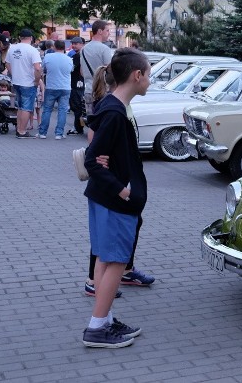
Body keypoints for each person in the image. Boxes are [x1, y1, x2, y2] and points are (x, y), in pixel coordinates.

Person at [81, 48, 151, 348]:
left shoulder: (111, 106)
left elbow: (97, 150)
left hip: (104, 198)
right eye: (148, 75)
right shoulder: (114, 112)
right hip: (114, 200)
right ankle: (97, 328)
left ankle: (105, 318)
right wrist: (122, 190)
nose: (149, 81)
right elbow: (92, 159)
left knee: (104, 258)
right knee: (115, 262)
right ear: (137, 76)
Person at [5, 28, 42, 138]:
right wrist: (36, 80)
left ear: (20, 38)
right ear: (31, 38)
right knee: (26, 107)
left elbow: (6, 63)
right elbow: (38, 68)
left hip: (16, 81)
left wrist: (14, 73)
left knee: (20, 107)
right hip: (28, 82)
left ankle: (19, 128)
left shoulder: (12, 49)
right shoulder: (32, 50)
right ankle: (22, 131)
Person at [38, 40, 73, 139]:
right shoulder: (69, 59)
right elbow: (71, 70)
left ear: (54, 47)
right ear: (64, 48)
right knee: (62, 110)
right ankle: (59, 133)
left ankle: (43, 132)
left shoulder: (48, 57)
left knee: (47, 110)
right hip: (65, 87)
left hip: (51, 86)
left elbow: (43, 70)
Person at [80, 20, 113, 117]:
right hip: (102, 91)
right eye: (107, 30)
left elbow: (82, 72)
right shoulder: (104, 49)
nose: (109, 33)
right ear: (100, 31)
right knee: (103, 121)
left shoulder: (84, 49)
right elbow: (110, 70)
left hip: (88, 90)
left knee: (92, 122)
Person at [67, 37, 86, 135]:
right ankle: (79, 127)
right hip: (81, 84)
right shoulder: (82, 55)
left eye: (76, 43)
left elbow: (73, 69)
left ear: (82, 44)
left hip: (77, 84)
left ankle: (78, 128)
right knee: (80, 108)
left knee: (77, 107)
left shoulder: (78, 56)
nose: (73, 45)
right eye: (73, 43)